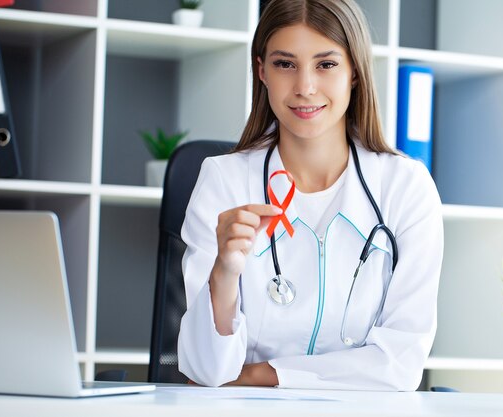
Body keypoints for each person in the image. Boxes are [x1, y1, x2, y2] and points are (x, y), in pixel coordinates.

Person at [177, 0, 443, 390]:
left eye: (326, 64)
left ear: (354, 72)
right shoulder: (224, 181)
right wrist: (225, 274)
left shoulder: (406, 186)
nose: (305, 87)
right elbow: (205, 373)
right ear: (261, 71)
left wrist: (262, 374)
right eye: (285, 64)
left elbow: (399, 365)